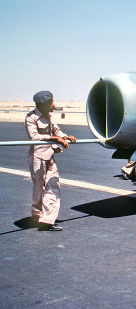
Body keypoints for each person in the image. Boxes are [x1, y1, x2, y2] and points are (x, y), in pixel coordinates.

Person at [25, 91, 76, 231]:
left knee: (53, 184)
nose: (54, 104)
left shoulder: (49, 116)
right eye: (51, 102)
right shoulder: (31, 118)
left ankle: (47, 221)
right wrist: (56, 139)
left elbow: (57, 131)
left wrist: (66, 137)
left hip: (50, 155)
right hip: (37, 156)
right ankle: (36, 213)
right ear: (43, 104)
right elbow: (34, 136)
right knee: (38, 187)